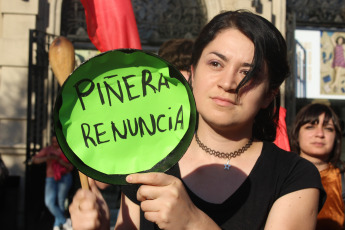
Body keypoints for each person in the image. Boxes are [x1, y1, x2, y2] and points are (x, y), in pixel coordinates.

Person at [69, 10, 325, 229]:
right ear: (192, 73)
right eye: (215, 64)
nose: (227, 83)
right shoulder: (146, 160)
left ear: (269, 94)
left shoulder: (294, 176)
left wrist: (193, 222)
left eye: (248, 73)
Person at [290, 103, 345, 230]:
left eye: (328, 128)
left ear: (336, 137)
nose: (320, 134)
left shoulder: (340, 180)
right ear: (297, 133)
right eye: (310, 127)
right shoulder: (278, 174)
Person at [31, 136, 74, 230]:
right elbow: (35, 159)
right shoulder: (48, 150)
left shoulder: (65, 150)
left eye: (57, 141)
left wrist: (58, 160)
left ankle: (56, 226)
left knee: (60, 201)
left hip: (64, 177)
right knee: (49, 202)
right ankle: (64, 221)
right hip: (51, 178)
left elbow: (70, 167)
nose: (55, 143)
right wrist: (48, 158)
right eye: (53, 141)